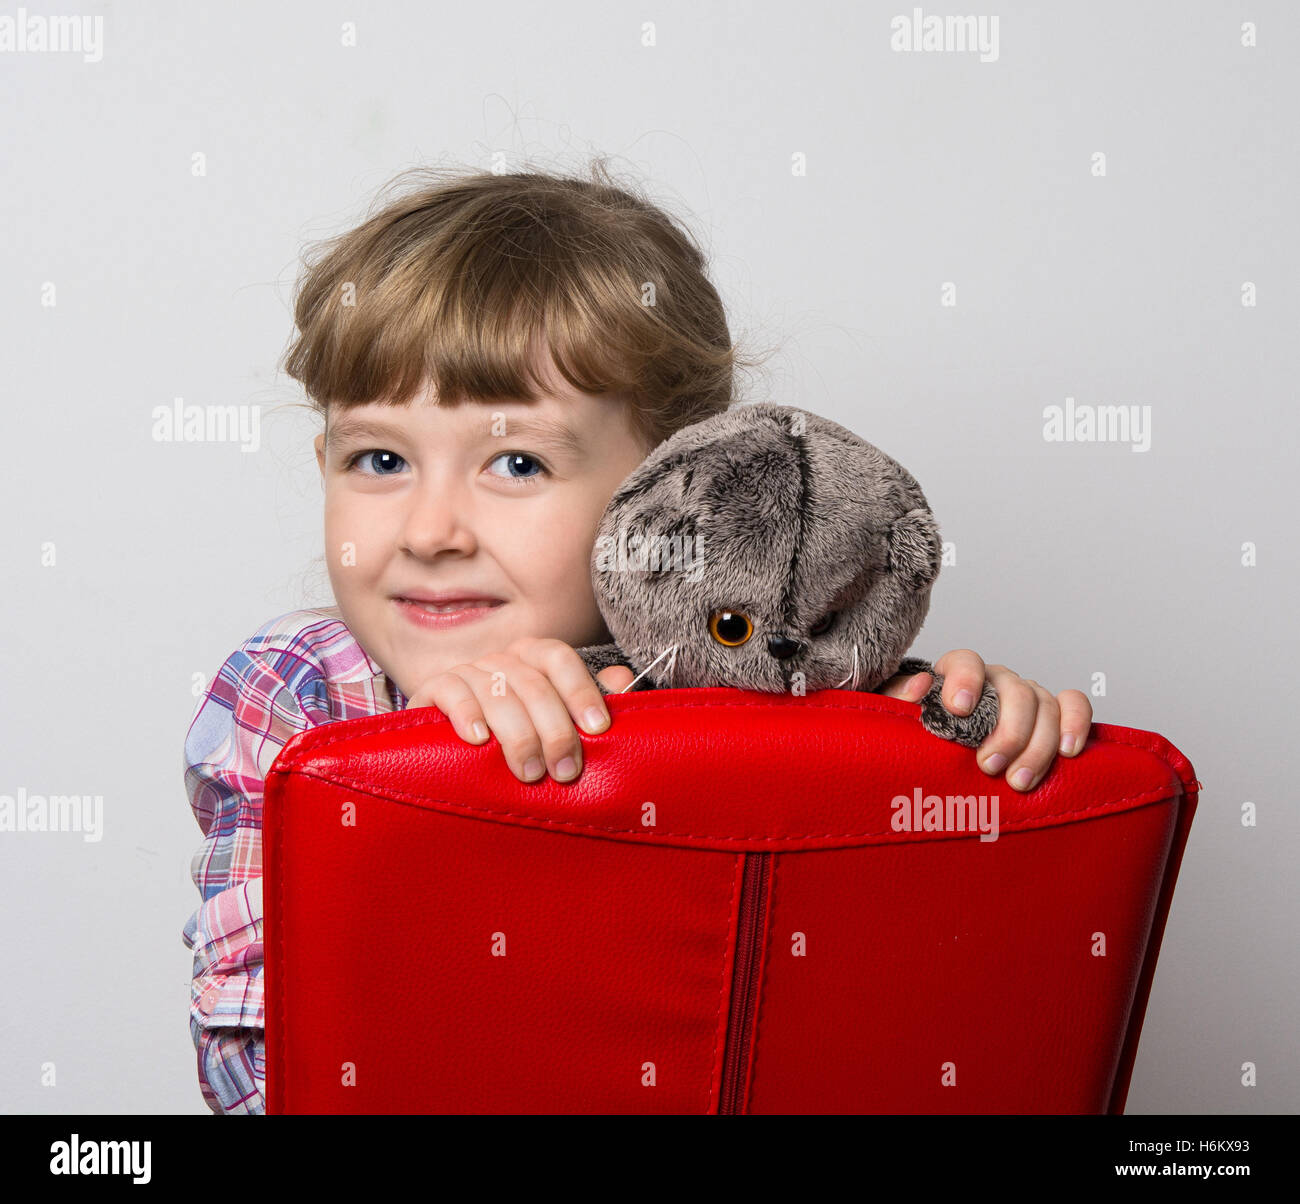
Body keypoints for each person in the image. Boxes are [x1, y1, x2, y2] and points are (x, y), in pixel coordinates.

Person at [181, 159, 1094, 1114]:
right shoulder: (300, 693)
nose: (428, 531)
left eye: (517, 463)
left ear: (669, 484)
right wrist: (440, 770)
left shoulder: (758, 685)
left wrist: (977, 742)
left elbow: (921, 1016)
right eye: (379, 459)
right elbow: (258, 1067)